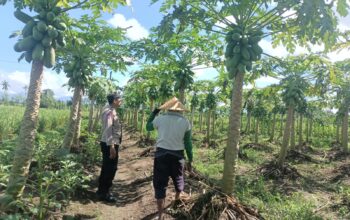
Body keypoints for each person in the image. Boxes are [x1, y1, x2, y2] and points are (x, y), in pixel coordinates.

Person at [146, 97, 193, 220]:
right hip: (178, 156)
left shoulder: (160, 119)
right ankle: (176, 202)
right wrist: (190, 159)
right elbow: (188, 143)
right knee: (178, 179)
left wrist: (154, 112)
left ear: (167, 108)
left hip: (161, 155)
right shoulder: (186, 122)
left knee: (160, 184)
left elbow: (148, 127)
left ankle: (160, 215)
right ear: (180, 110)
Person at [96, 93, 122, 203]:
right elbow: (108, 129)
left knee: (106, 167)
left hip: (108, 143)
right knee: (110, 169)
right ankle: (104, 193)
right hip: (109, 144)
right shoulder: (109, 112)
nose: (120, 101)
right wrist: (112, 146)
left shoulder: (110, 109)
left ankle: (101, 190)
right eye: (119, 99)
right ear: (114, 100)